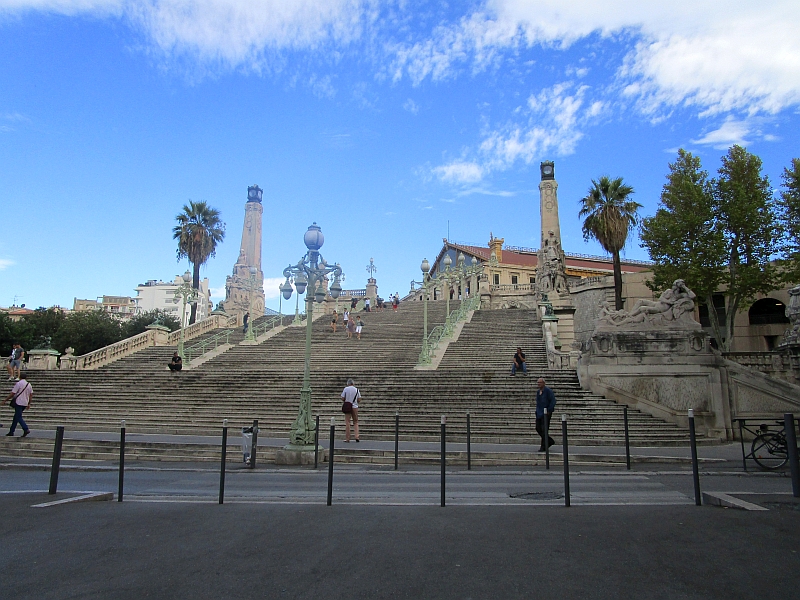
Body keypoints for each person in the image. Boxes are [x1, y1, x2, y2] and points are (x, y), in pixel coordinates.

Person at [5, 372, 32, 437]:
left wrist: (6, 400)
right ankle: (11, 431)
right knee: (16, 417)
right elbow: (31, 395)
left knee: (18, 417)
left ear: (20, 377)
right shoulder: (29, 384)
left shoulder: (19, 383)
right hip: (25, 402)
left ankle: (25, 429)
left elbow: (13, 393)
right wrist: (29, 403)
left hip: (19, 402)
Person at [535, 378, 556, 451]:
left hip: (546, 413)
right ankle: (549, 441)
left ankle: (543, 446)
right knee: (538, 428)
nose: (538, 384)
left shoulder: (548, 391)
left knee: (544, 430)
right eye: (538, 383)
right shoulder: (538, 392)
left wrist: (549, 410)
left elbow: (553, 401)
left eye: (540, 383)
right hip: (539, 413)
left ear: (544, 383)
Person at [340, 378, 361, 442]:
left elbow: (342, 398)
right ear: (353, 383)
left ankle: (347, 438)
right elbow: (359, 399)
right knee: (356, 422)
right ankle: (357, 436)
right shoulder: (356, 390)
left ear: (348, 383)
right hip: (355, 406)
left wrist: (347, 400)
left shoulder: (346, 389)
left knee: (347, 422)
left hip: (347, 407)